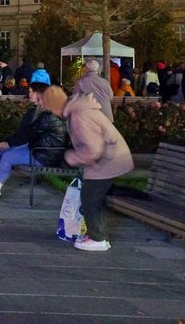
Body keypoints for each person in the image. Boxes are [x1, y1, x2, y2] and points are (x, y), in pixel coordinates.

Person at [63, 92, 134, 251]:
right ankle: (97, 235)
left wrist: (72, 157)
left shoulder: (79, 115)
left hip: (109, 161)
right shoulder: (82, 109)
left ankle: (98, 238)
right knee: (91, 195)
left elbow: (93, 149)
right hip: (110, 159)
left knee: (90, 197)